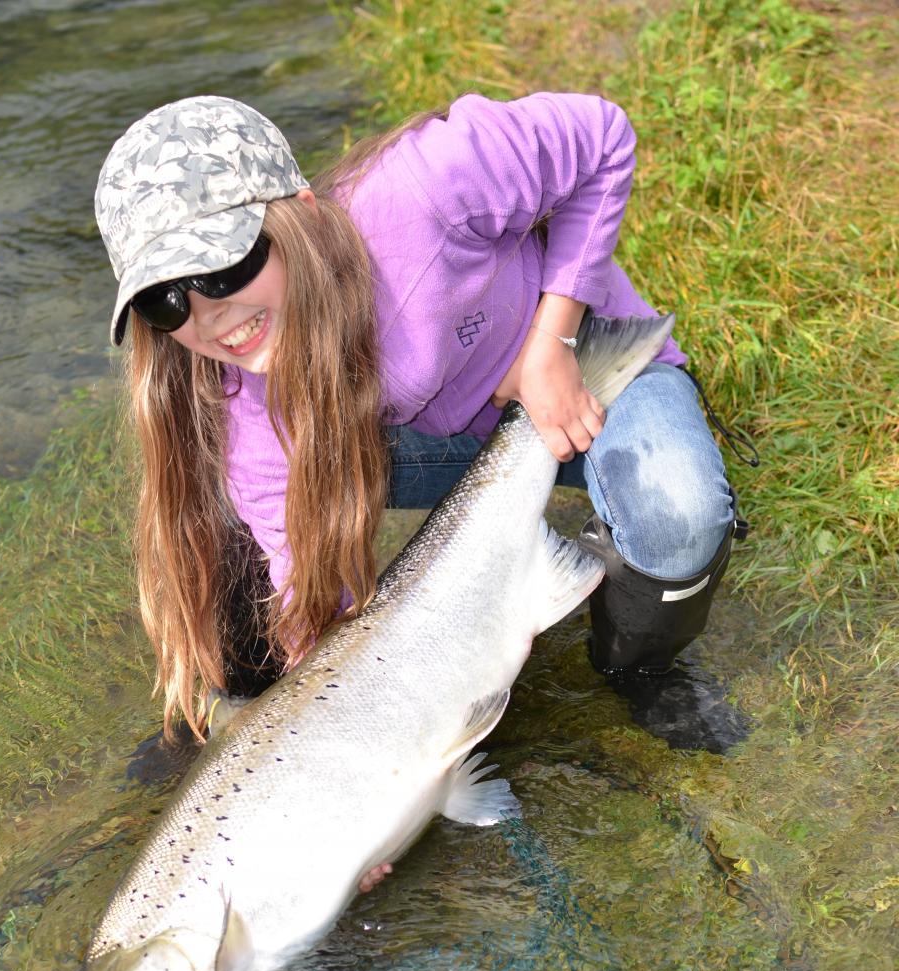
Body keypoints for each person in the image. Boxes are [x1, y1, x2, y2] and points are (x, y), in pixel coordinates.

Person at [94, 92, 746, 780]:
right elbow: (310, 602)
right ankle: (248, 714)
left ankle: (639, 668)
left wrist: (551, 342)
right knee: (225, 508)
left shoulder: (426, 184)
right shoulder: (246, 406)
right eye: (166, 298)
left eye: (224, 267)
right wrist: (350, 765)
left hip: (589, 377)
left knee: (680, 514)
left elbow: (603, 138)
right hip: (441, 443)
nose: (210, 313)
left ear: (301, 214)